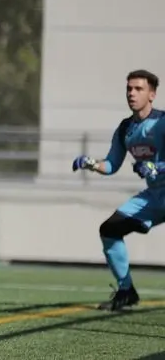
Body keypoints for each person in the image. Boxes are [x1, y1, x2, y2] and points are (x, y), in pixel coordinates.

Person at [72, 69, 165, 311]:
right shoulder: (125, 129)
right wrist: (90, 163)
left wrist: (157, 166)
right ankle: (126, 291)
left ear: (152, 94)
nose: (132, 93)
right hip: (155, 196)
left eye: (139, 89)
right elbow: (112, 164)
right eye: (129, 89)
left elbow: (155, 166)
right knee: (110, 229)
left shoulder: (162, 122)